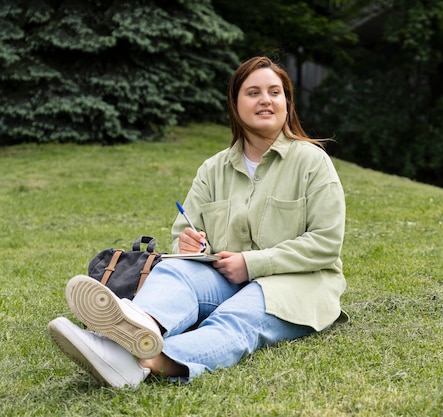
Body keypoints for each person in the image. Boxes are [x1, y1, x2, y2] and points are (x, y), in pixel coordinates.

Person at [47, 56, 347, 388]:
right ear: (235, 104)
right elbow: (184, 232)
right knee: (175, 270)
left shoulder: (312, 162)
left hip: (297, 282)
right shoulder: (213, 169)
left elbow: (325, 242)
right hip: (226, 278)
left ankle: (142, 360)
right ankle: (134, 327)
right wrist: (191, 246)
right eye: (253, 92)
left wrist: (252, 262)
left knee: (236, 318)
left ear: (287, 103)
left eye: (275, 92)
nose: (265, 100)